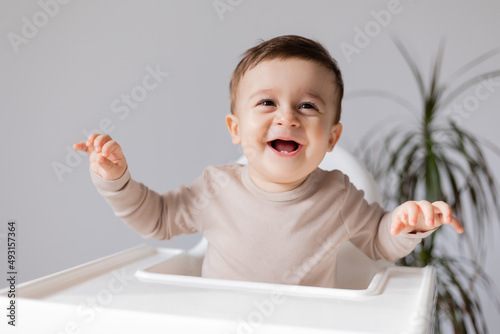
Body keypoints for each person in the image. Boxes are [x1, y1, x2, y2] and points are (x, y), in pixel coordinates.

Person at [73, 35, 463, 288]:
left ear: (331, 137)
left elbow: (378, 242)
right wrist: (117, 180)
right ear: (236, 128)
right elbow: (155, 219)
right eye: (267, 103)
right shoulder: (215, 187)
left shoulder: (338, 195)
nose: (287, 117)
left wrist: (406, 223)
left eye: (307, 105)